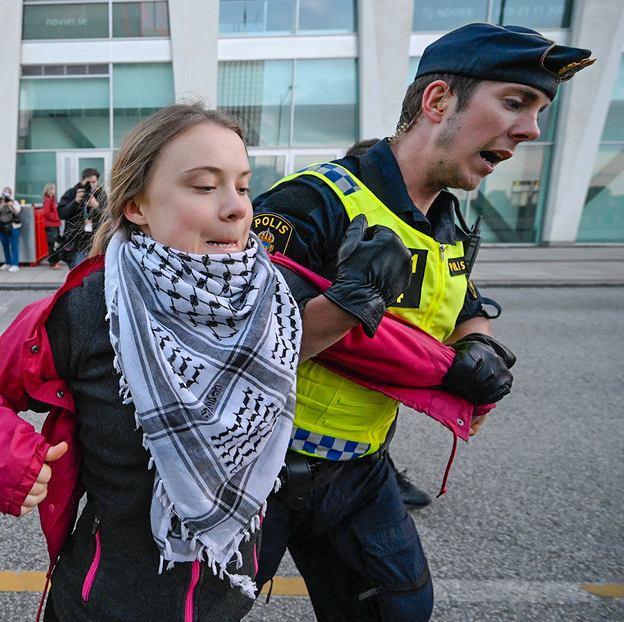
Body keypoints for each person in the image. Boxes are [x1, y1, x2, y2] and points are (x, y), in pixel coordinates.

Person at [250, 23, 591, 621]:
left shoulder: (452, 222)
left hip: (358, 469)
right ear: (437, 101)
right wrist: (349, 301)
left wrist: (479, 346)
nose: (532, 130)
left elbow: (462, 303)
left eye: (538, 112)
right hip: (255, 466)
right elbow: (231, 346)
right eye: (515, 102)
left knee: (398, 613)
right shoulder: (311, 202)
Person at [0, 103, 302, 621]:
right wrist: (0, 454)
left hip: (224, 600)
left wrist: (457, 367)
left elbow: (387, 350)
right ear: (136, 205)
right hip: (102, 603)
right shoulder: (90, 305)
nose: (236, 208)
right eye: (205, 186)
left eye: (243, 186)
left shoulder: (275, 299)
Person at [344, 138, 435, 510]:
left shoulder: (420, 227)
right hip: (341, 361)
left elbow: (465, 300)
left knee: (380, 424)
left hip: (391, 364)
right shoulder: (338, 218)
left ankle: (383, 463)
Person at [56, 167, 107, 268]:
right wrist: (75, 202)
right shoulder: (72, 193)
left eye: (94, 182)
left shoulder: (100, 194)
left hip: (95, 243)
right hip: (76, 245)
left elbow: (108, 217)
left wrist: (96, 205)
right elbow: (61, 213)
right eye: (89, 182)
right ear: (82, 180)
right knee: (78, 277)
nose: (92, 185)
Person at [0, 186, 20, 272]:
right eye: (5, 193)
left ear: (10, 194)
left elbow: (17, 211)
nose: (6, 195)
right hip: (1, 226)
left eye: (8, 193)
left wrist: (10, 204)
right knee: (5, 245)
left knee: (13, 245)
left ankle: (15, 264)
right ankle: (7, 262)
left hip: (12, 226)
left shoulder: (14, 202)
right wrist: (1, 204)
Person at [41, 182, 61, 269]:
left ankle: (54, 260)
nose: (55, 191)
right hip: (51, 225)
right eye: (54, 189)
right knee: (51, 244)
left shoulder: (53, 199)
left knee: (56, 243)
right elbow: (47, 213)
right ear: (49, 190)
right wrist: (57, 217)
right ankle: (52, 262)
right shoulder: (48, 200)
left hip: (55, 224)